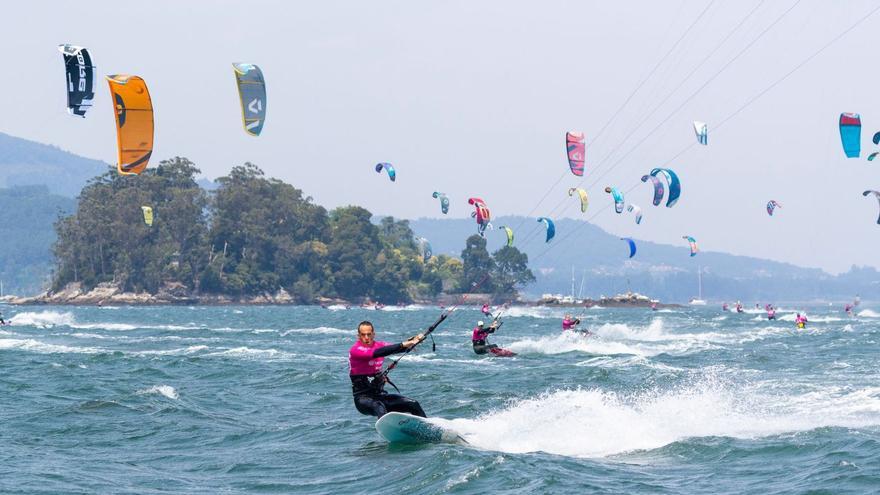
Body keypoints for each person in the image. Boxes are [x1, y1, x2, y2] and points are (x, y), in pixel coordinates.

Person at [349, 320, 427, 418]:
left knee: (413, 404)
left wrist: (414, 341)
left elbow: (394, 348)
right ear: (358, 335)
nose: (366, 338)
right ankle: (389, 429)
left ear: (373, 334)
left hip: (380, 396)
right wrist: (404, 344)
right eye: (363, 335)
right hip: (363, 400)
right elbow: (378, 353)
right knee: (379, 407)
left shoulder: (380, 345)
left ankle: (425, 429)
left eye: (369, 334)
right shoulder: (355, 350)